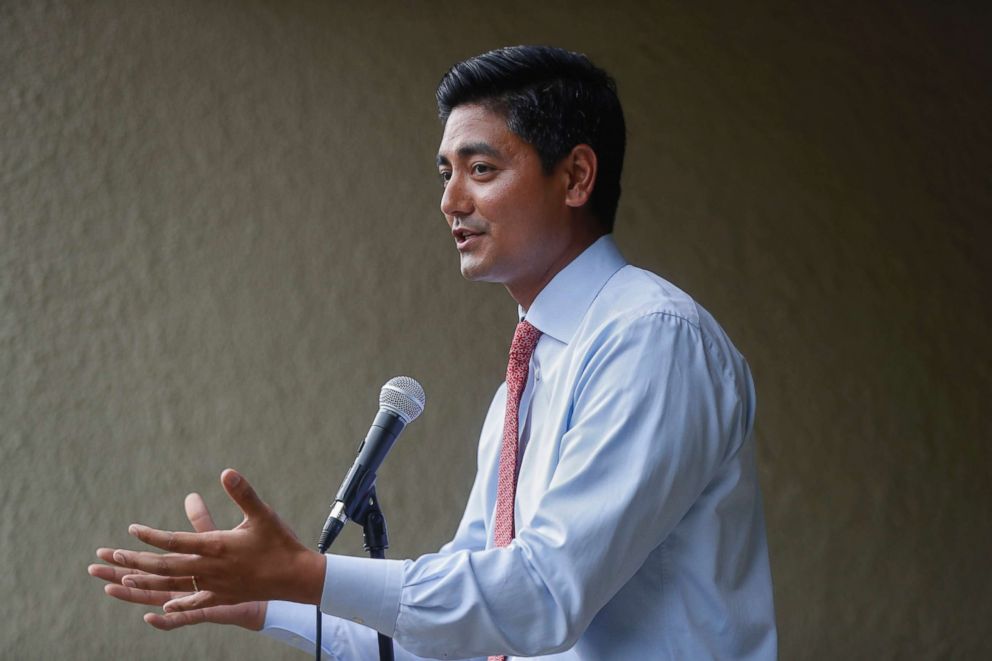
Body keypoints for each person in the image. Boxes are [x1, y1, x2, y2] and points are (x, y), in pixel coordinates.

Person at [90, 45, 777, 659]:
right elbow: (462, 627)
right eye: (444, 172)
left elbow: (541, 597)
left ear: (575, 178)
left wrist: (307, 572)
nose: (451, 200)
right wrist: (274, 601)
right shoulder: (524, 380)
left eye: (480, 168)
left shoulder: (651, 338)